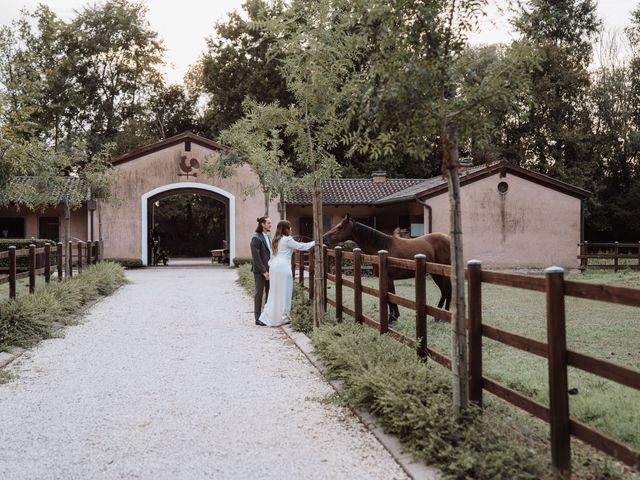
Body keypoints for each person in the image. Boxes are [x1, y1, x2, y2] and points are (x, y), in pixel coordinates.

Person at [258, 220, 315, 327]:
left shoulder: (275, 240)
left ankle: (266, 316)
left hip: (274, 267)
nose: (291, 229)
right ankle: (284, 317)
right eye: (290, 227)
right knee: (285, 292)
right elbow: (301, 247)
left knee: (273, 292)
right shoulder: (287, 239)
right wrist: (316, 242)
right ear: (286, 229)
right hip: (283, 267)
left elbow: (271, 257)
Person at [250, 217, 272, 325]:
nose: (270, 225)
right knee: (259, 293)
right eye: (268, 223)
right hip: (260, 271)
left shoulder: (268, 236)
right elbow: (256, 258)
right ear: (262, 224)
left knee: (269, 293)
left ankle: (266, 316)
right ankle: (258, 318)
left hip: (270, 269)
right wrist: (264, 271)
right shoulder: (256, 238)